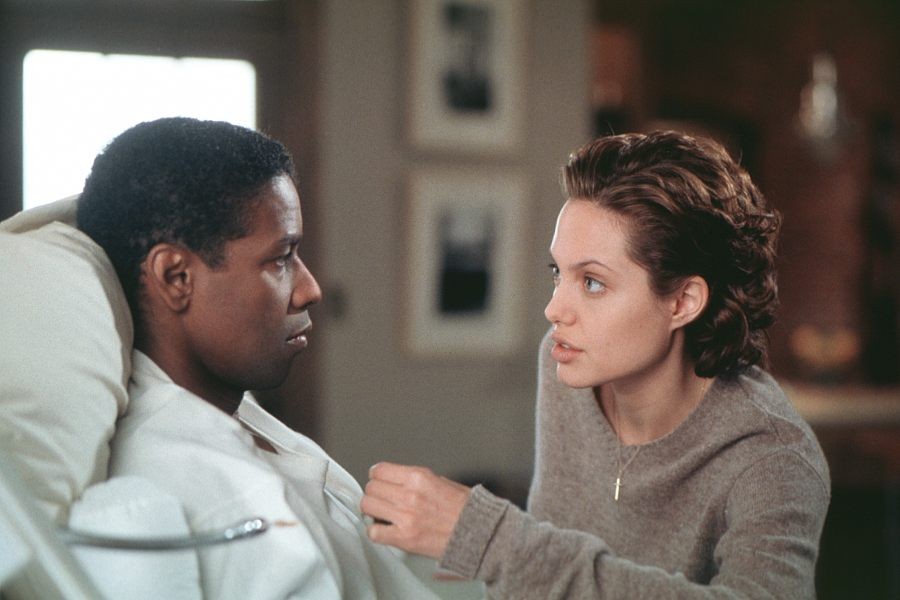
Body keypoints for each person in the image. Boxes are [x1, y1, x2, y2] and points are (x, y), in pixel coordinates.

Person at [361, 130, 831, 598]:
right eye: (557, 274)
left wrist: (492, 542)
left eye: (592, 282)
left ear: (683, 301)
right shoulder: (564, 365)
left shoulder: (773, 457)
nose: (554, 310)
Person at [76, 117, 441, 599]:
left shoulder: (229, 411)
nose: (309, 290)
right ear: (176, 278)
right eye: (281, 258)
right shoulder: (212, 490)